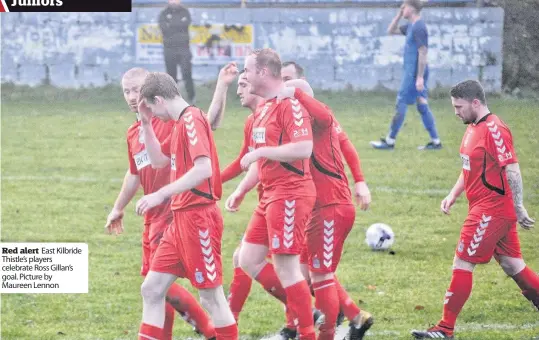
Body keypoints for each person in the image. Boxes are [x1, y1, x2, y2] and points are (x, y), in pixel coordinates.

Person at [411, 80, 537, 339]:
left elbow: (511, 169)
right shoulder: (473, 127)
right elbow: (469, 166)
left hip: (492, 209)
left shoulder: (495, 130)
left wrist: (518, 206)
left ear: (475, 103)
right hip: (483, 207)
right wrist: (453, 194)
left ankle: (445, 329)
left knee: (463, 261)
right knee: (513, 265)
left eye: (459, 106)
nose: (456, 111)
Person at [104, 67, 215, 340]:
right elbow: (134, 173)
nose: (132, 96)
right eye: (127, 91)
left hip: (173, 210)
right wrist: (118, 208)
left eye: (138, 90)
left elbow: (201, 132)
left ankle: (210, 331)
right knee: (154, 286)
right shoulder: (134, 131)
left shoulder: (169, 121)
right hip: (151, 213)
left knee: (156, 285)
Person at [135, 72, 238, 340]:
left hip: (198, 218)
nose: (156, 116)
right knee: (152, 289)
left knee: (211, 298)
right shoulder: (181, 123)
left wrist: (161, 194)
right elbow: (157, 160)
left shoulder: (190, 119)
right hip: (179, 221)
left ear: (158, 99)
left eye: (152, 109)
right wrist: (145, 123)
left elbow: (203, 168)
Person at [225, 48, 318, 340]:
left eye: (248, 71)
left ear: (263, 72)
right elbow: (259, 160)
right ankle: (306, 310)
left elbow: (304, 148)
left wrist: (262, 152)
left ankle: (306, 331)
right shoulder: (263, 109)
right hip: (270, 196)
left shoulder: (289, 105)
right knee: (247, 259)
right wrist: (241, 190)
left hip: (291, 193)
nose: (245, 76)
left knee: (287, 269)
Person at [277, 85, 374, 340]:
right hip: (316, 209)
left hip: (331, 207)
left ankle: (324, 332)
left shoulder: (318, 116)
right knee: (302, 275)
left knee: (321, 276)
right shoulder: (297, 122)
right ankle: (351, 316)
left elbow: (332, 125)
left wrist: (360, 180)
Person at [370, 0, 442, 150]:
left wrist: (420, 77)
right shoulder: (411, 26)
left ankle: (390, 141)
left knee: (401, 102)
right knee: (422, 104)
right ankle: (436, 142)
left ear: (412, 9)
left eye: (405, 7)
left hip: (414, 74)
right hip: (413, 72)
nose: (402, 9)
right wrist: (398, 14)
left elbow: (423, 52)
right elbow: (391, 30)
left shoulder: (419, 27)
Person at [159, 0, 195, 104]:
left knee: (186, 73)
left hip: (184, 48)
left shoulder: (185, 12)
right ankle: (173, 99)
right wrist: (178, 26)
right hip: (169, 49)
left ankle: (191, 98)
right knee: (171, 76)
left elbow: (185, 25)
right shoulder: (164, 13)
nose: (174, 1)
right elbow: (164, 28)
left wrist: (172, 26)